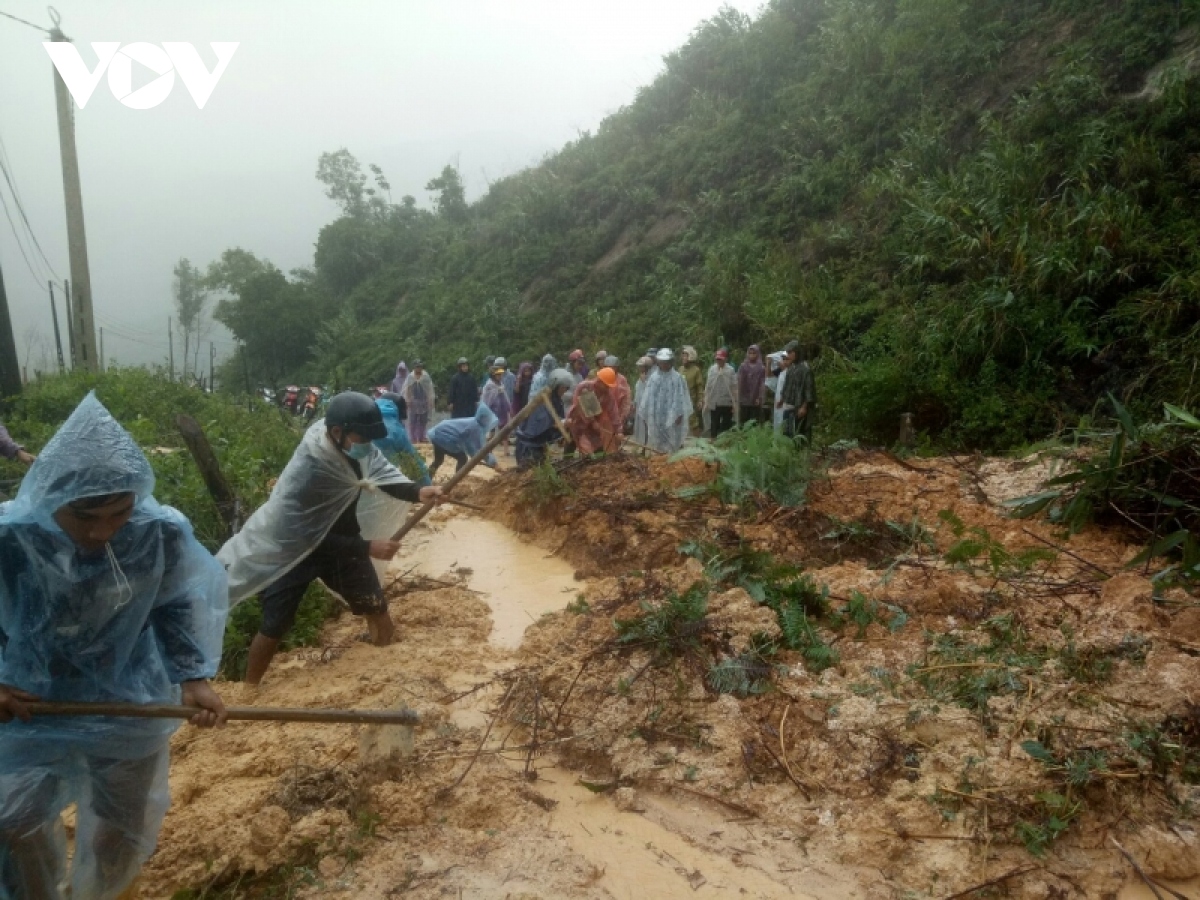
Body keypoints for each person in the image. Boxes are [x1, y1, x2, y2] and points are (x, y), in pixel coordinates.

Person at [0, 392, 228, 900]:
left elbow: (175, 604)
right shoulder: (11, 539)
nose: (102, 532)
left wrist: (193, 677)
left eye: (119, 513)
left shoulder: (157, 533)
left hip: (127, 700)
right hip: (28, 705)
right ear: (51, 499)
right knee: (14, 822)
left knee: (119, 831)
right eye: (85, 518)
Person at [218, 392, 444, 685]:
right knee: (275, 624)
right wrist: (368, 547)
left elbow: (384, 475)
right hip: (295, 551)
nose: (368, 446)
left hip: (342, 542)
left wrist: (417, 492)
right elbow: (304, 536)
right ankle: (249, 691)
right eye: (363, 439)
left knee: (376, 607)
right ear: (337, 433)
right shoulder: (310, 469)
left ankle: (384, 679)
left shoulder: (357, 448)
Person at [514, 368, 572, 469]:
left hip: (540, 446)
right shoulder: (541, 401)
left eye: (566, 388)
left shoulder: (557, 401)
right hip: (529, 445)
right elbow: (539, 426)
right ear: (556, 386)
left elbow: (558, 418)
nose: (565, 391)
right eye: (563, 388)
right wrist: (558, 425)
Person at [374, 394, 432, 487]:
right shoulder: (395, 430)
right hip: (382, 481)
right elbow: (413, 463)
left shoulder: (364, 416)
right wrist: (427, 486)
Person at [427, 404, 500, 478]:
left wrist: (475, 458)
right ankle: (456, 481)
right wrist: (494, 463)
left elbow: (469, 446)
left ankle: (426, 480)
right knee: (462, 458)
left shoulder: (473, 422)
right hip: (445, 436)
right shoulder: (476, 428)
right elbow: (481, 449)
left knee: (438, 460)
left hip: (438, 433)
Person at [642, 348, 692, 453]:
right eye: (662, 362)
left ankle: (671, 461)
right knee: (658, 441)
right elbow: (648, 398)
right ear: (658, 363)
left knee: (672, 440)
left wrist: (680, 414)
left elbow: (682, 398)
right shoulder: (654, 378)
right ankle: (659, 460)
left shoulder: (678, 378)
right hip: (657, 416)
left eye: (666, 362)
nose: (664, 365)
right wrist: (647, 414)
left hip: (672, 417)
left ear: (671, 362)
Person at [567, 367, 623, 456]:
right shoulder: (585, 387)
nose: (607, 388)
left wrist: (619, 430)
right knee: (572, 442)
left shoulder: (607, 396)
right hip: (578, 419)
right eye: (606, 385)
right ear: (600, 381)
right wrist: (592, 421)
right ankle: (567, 461)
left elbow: (614, 413)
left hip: (593, 425)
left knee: (597, 446)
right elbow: (580, 406)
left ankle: (595, 462)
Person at [779, 341, 817, 442]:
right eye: (788, 352)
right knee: (787, 432)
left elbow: (809, 390)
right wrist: (782, 399)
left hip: (799, 407)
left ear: (797, 352)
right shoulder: (791, 368)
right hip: (789, 405)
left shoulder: (805, 369)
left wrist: (804, 407)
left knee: (799, 433)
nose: (789, 355)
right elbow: (787, 385)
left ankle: (800, 454)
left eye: (791, 352)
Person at [703, 349, 738, 438]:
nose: (719, 361)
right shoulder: (712, 369)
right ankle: (713, 440)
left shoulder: (730, 370)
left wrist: (735, 402)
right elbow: (708, 386)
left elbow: (734, 386)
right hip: (714, 401)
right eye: (717, 359)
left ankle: (724, 442)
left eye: (721, 359)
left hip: (727, 402)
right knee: (714, 423)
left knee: (726, 424)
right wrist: (706, 400)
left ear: (725, 359)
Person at [402, 359, 434, 444]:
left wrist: (430, 399)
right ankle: (412, 437)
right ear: (414, 367)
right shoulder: (410, 377)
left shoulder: (426, 376)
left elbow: (429, 388)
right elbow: (407, 388)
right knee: (413, 420)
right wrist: (407, 399)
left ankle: (422, 436)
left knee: (423, 420)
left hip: (423, 400)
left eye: (420, 367)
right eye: (417, 367)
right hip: (413, 401)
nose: (419, 369)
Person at [737, 344, 766, 426]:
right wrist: (738, 398)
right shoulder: (743, 367)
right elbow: (739, 382)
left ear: (758, 354)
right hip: (744, 400)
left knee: (754, 423)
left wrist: (760, 398)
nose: (752, 355)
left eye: (754, 353)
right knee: (743, 422)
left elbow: (762, 384)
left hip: (755, 400)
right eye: (750, 353)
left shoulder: (761, 368)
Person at [604, 355, 633, 431]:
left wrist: (624, 415)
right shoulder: (601, 377)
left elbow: (626, 398)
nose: (611, 369)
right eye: (608, 367)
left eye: (613, 367)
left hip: (618, 414)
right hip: (603, 416)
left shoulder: (621, 380)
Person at [680, 346, 704, 434]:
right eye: (683, 356)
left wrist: (700, 400)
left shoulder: (696, 370)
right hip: (681, 400)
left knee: (693, 422)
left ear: (691, 357)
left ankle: (696, 441)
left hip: (691, 400)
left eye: (685, 356)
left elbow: (699, 386)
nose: (683, 358)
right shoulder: (680, 369)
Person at [482, 364, 513, 429]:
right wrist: (497, 391)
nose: (500, 376)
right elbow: (487, 400)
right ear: (493, 376)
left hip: (502, 410)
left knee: (504, 428)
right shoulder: (489, 386)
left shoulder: (501, 384)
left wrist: (509, 408)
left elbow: (505, 397)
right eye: (498, 374)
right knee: (492, 428)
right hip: (493, 411)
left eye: (500, 374)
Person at [633, 356, 653, 444]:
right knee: (640, 428)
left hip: (648, 408)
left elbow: (651, 392)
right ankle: (642, 446)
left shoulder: (652, 378)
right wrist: (634, 402)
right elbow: (638, 392)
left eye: (642, 366)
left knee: (647, 428)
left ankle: (648, 446)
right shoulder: (640, 379)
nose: (640, 368)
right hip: (639, 407)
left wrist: (644, 381)